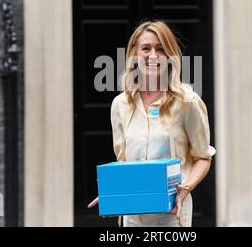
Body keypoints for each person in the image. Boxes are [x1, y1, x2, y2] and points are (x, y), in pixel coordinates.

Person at [88, 20, 216, 227]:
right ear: (134, 56)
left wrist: (187, 188)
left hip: (170, 215)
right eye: (146, 49)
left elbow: (203, 157)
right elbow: (124, 163)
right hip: (131, 215)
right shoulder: (120, 105)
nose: (153, 56)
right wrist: (112, 193)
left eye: (161, 49)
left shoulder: (187, 102)